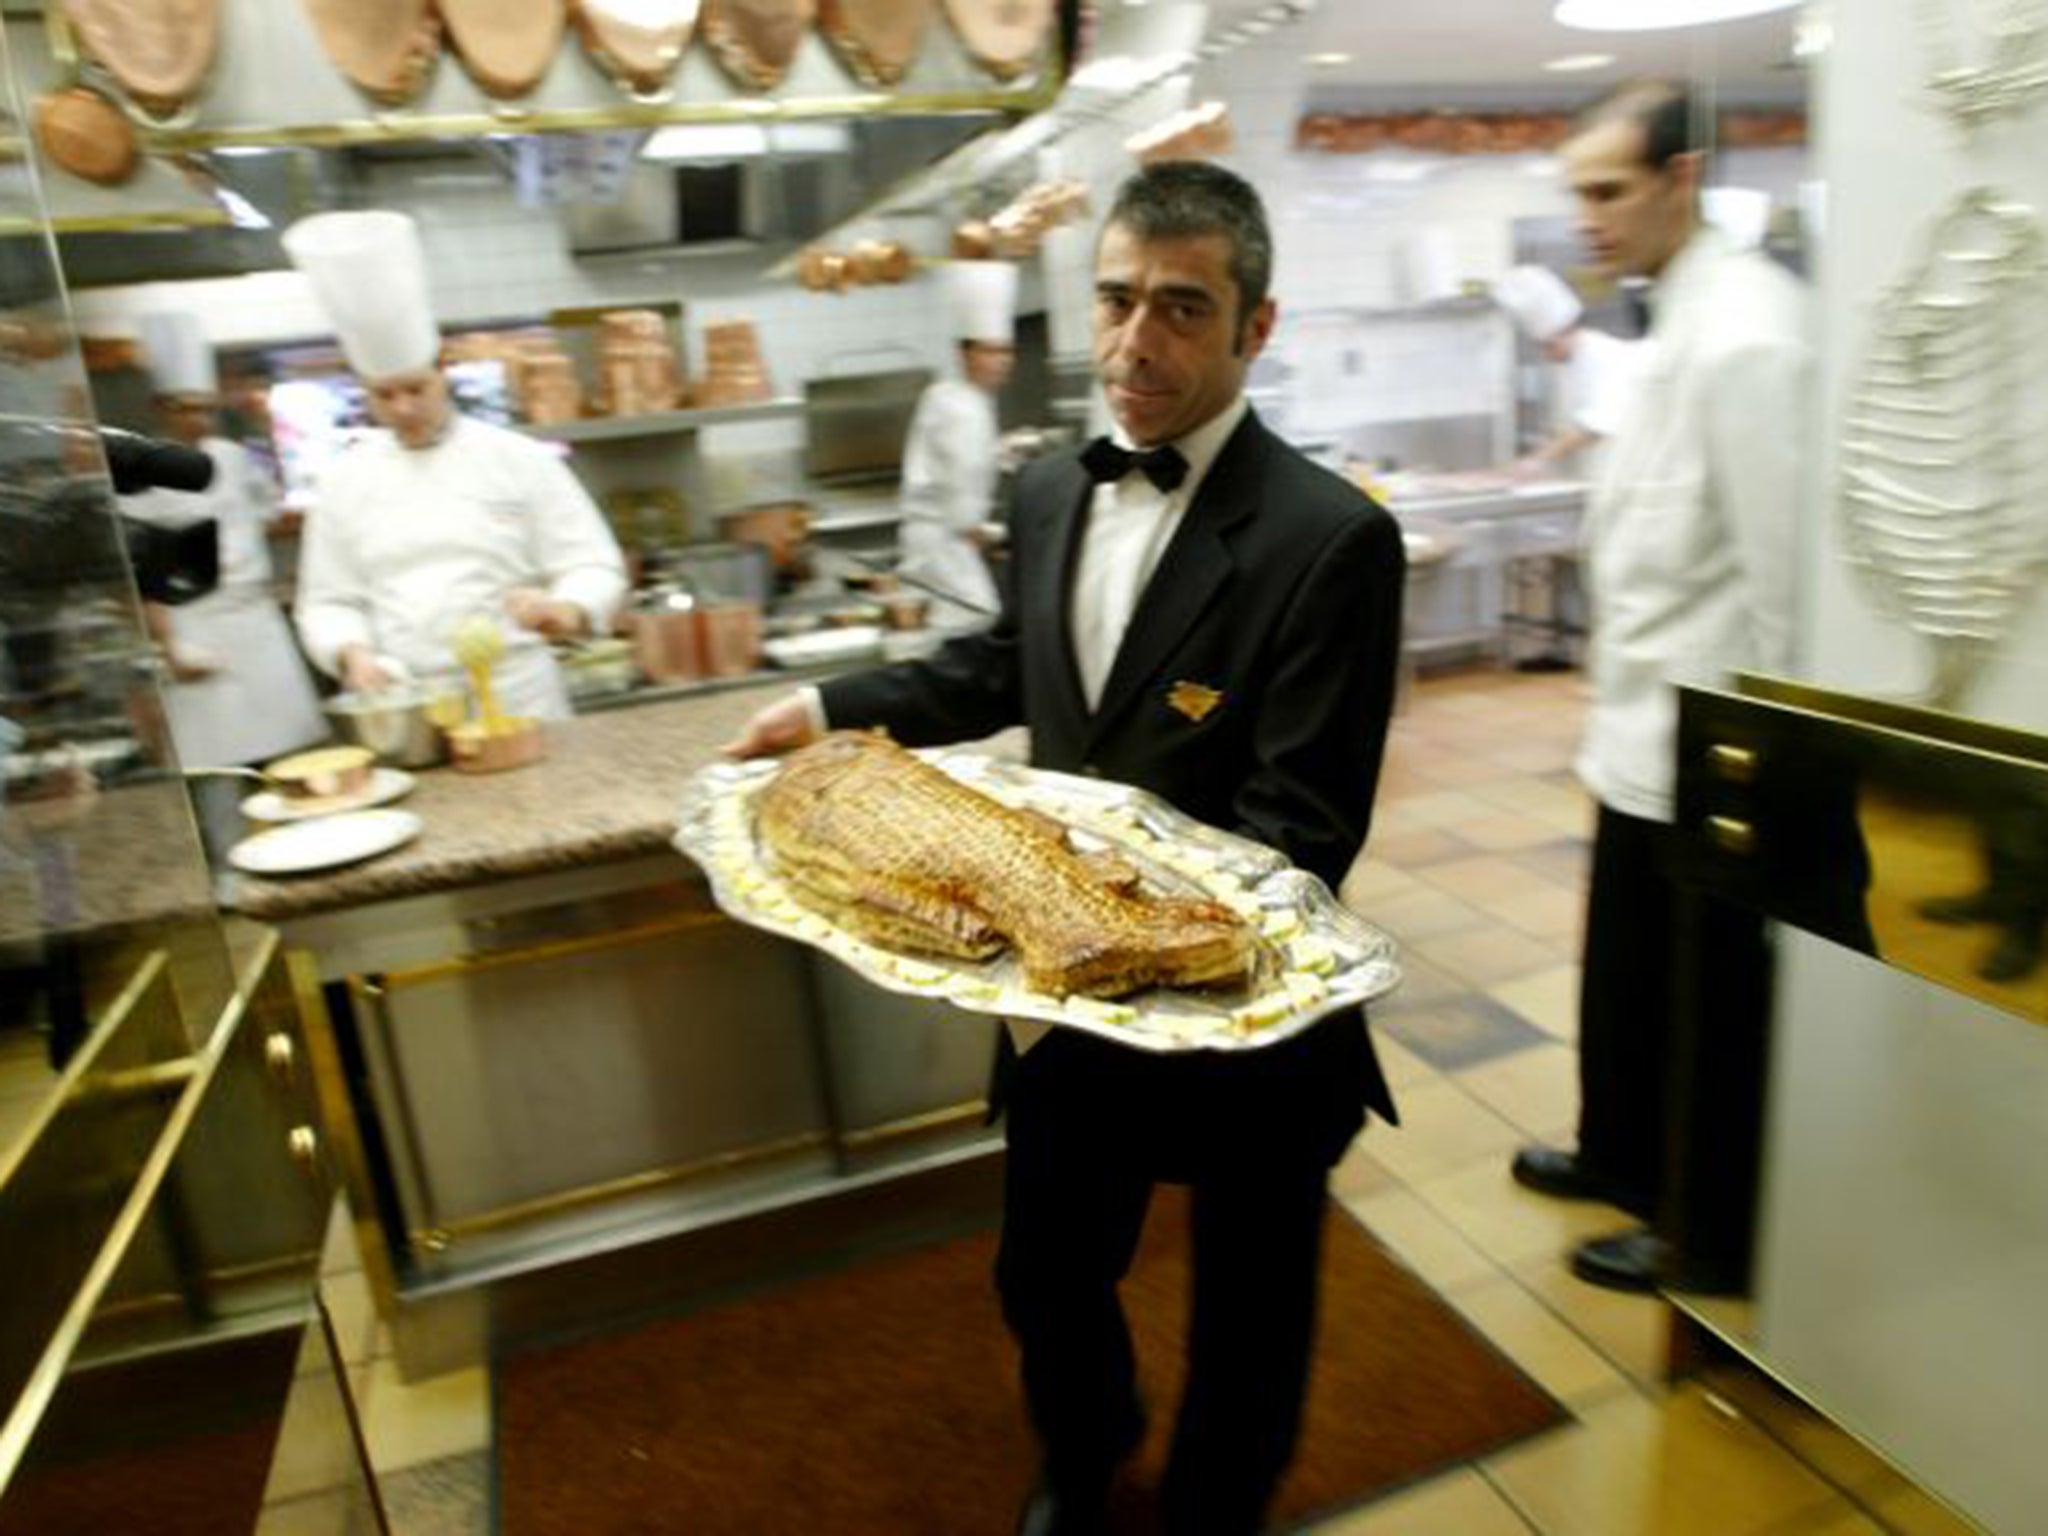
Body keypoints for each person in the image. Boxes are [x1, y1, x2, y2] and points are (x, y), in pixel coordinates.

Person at [727, 161, 1404, 1536]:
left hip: (1240, 1012)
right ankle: (1085, 1451)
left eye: (1181, 308)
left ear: (1253, 329)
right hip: (1060, 995)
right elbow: (1000, 666)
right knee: (1045, 1270)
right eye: (1113, 299)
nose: (1133, 342)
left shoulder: (1330, 539)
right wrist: (824, 705)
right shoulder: (1048, 488)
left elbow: (1305, 829)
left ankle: (1219, 1503)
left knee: (1250, 1307)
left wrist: (1134, 925)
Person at [1509, 79, 1802, 1293]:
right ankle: (1620, 1153)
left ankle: (1707, 1233)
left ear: (1680, 177)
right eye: (1574, 192)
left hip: (1717, 745)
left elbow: (1786, 588)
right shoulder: (1677, 313)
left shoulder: (1750, 332)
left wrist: (1776, 776)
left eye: (1606, 190)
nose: (1585, 217)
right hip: (1638, 729)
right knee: (1626, 970)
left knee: (1708, 1004)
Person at [284, 211, 627, 720]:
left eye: (415, 388)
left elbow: (593, 564)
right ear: (366, 395)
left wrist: (567, 607)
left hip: (521, 692)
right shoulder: (344, 483)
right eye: (386, 394)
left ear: (443, 374)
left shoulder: (518, 458)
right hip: (408, 700)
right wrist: (351, 654)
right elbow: (328, 601)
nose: (403, 408)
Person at [120, 311, 326, 850]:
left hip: (256, 625)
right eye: (188, 410)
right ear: (159, 410)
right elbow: (140, 578)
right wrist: (170, 647)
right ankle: (235, 874)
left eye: (208, 410)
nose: (201, 422)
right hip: (196, 629)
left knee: (294, 758)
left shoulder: (233, 458)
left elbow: (267, 512)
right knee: (217, 771)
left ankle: (308, 853)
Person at [894, 260, 1017, 630]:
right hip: (942, 548)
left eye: (1006, 352)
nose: (1001, 362)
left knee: (957, 634)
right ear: (964, 354)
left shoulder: (958, 397)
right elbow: (964, 515)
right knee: (976, 627)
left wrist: (1002, 451)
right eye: (990, 352)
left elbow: (958, 464)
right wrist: (1001, 535)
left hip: (937, 545)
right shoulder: (960, 408)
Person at [1492, 264, 1642, 479]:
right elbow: (1563, 429)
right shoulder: (1566, 367)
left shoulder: (1601, 354)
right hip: (1589, 479)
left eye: (1548, 346)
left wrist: (1537, 460)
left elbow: (1593, 427)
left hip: (1621, 476)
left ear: (1565, 332)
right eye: (1542, 347)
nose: (1547, 355)